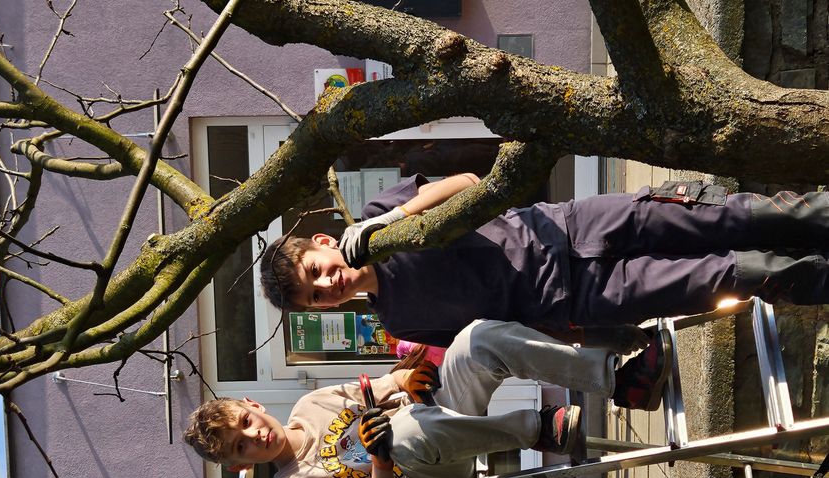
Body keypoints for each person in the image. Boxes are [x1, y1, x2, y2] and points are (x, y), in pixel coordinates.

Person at [183, 319, 672, 478]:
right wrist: (378, 460)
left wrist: (408, 375)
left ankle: (616, 382)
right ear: (237, 468)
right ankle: (536, 429)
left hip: (434, 418)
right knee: (403, 436)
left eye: (246, 423)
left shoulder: (311, 404)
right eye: (241, 448)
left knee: (476, 340)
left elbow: (387, 384)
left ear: (251, 404)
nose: (255, 436)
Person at [260, 174, 829, 348]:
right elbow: (495, 335)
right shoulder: (399, 322)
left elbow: (470, 183)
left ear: (324, 244)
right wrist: (596, 341)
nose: (328, 286)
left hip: (574, 225)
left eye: (315, 272)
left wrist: (392, 221)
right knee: (734, 276)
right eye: (316, 298)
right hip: (582, 296)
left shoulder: (382, 210)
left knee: (725, 217)